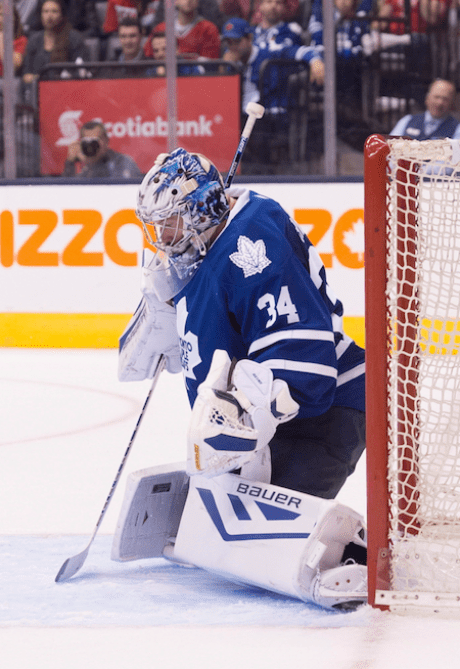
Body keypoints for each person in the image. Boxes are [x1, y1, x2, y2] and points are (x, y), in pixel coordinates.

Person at [117, 148, 367, 609]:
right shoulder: (203, 248)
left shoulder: (251, 244)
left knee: (255, 548)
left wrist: (244, 424)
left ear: (205, 206)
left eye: (170, 221)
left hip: (327, 413)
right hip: (275, 421)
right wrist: (174, 318)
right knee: (223, 533)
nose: (161, 235)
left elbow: (306, 367)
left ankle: (356, 558)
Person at [21, 0, 87, 88]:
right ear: (40, 15)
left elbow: (80, 71)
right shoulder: (34, 40)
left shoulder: (74, 38)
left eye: (54, 11)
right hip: (38, 92)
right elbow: (26, 75)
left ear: (62, 16)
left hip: (67, 90)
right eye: (45, 11)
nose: (49, 16)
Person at [142, 0, 220, 60]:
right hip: (161, 78)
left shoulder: (208, 29)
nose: (188, 1)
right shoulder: (160, 28)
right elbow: (148, 60)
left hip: (195, 79)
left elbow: (209, 67)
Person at [62, 119, 141, 178]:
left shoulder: (122, 163)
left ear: (106, 141)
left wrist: (92, 164)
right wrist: (70, 162)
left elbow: (112, 188)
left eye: (95, 141)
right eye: (87, 142)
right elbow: (67, 192)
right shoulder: (82, 167)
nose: (91, 146)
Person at [390, 78, 460, 140]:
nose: (440, 103)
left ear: (452, 103)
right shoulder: (407, 120)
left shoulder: (457, 129)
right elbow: (390, 145)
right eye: (436, 97)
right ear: (427, 98)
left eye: (445, 99)